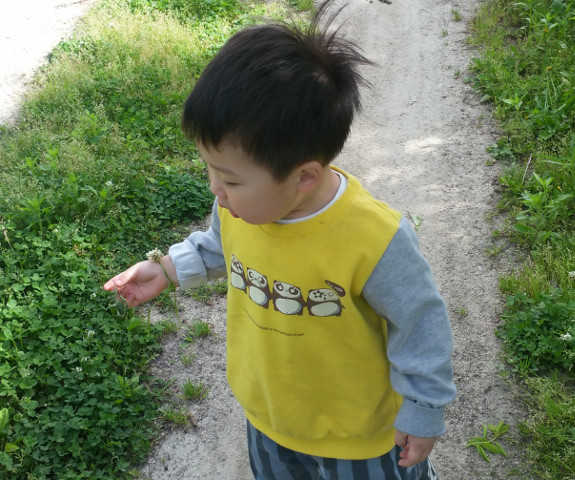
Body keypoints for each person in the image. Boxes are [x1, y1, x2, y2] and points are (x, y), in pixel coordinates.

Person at [103, 2, 456, 479]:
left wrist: (424, 408)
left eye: (230, 178)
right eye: (210, 169)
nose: (215, 188)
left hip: (361, 439)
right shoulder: (239, 206)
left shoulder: (375, 238)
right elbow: (219, 247)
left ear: (303, 177)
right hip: (270, 420)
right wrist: (166, 268)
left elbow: (421, 324)